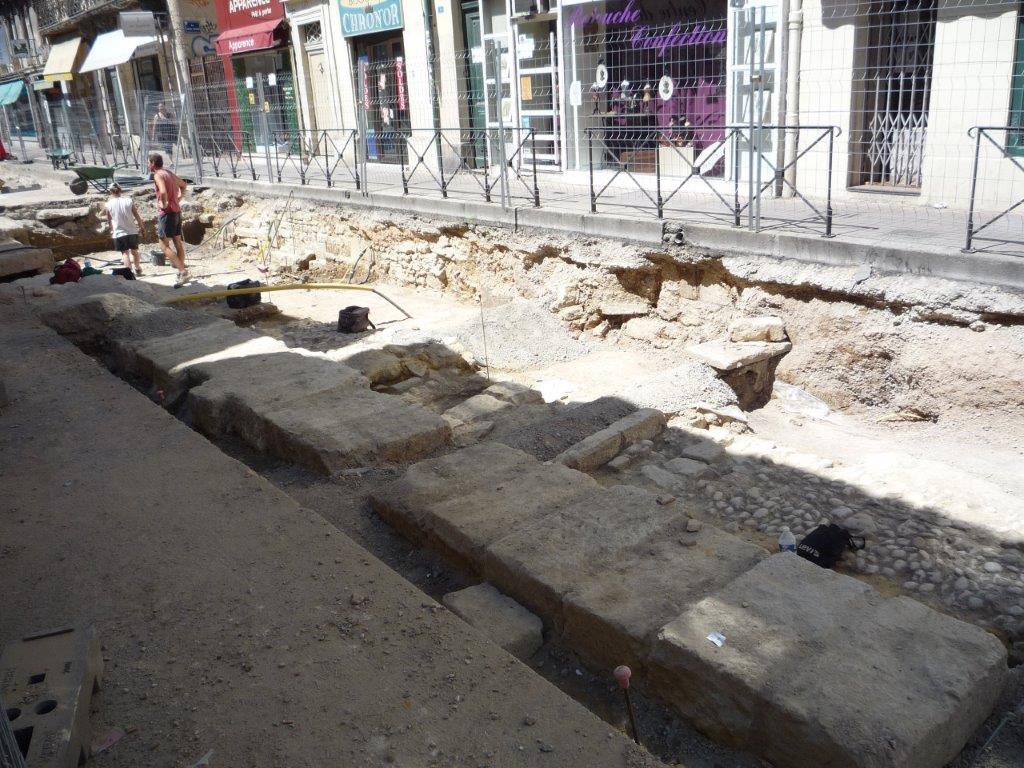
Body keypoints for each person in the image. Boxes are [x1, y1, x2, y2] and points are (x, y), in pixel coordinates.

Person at [149, 152, 189, 287]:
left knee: (164, 246)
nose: (148, 165)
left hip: (167, 214)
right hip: (176, 212)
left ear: (153, 163)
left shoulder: (158, 175)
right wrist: (179, 198)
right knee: (177, 242)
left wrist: (164, 204)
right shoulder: (169, 173)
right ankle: (181, 269)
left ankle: (183, 272)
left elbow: (163, 191)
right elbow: (183, 185)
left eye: (149, 163)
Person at [104, 182, 147, 276]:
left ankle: (129, 273)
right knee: (134, 251)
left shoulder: (108, 204)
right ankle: (138, 269)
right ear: (121, 190)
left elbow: (109, 220)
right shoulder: (128, 201)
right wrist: (142, 227)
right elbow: (137, 216)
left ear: (110, 192)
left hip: (119, 232)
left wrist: (111, 230)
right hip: (132, 231)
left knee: (125, 254)